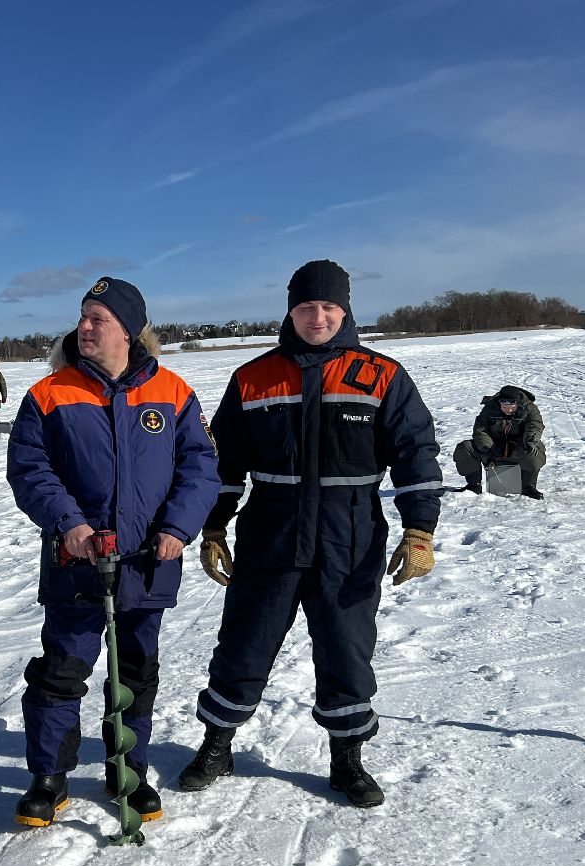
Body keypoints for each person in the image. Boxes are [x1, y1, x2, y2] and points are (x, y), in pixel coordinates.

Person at [180, 259, 443, 808]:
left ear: (345, 311)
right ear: (290, 310)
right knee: (244, 644)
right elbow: (224, 463)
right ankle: (217, 744)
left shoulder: (381, 375)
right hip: (270, 534)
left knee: (347, 650)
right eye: (305, 306)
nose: (316, 316)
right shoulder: (252, 378)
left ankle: (347, 760)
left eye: (327, 307)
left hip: (350, 537)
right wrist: (212, 529)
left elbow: (416, 455)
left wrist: (419, 529)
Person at [7, 277, 219, 826]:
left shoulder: (172, 393)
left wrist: (179, 527)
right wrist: (69, 524)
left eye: (97, 318)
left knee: (136, 674)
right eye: (82, 316)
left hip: (148, 563)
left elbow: (200, 469)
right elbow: (31, 470)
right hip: (77, 562)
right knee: (61, 669)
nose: (84, 327)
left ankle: (129, 767)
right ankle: (49, 777)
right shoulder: (49, 394)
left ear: (128, 330)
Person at [452, 385, 546, 498]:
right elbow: (480, 429)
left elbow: (535, 426)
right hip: (493, 448)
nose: (509, 410)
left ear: (518, 403)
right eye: (505, 406)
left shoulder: (530, 409)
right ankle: (473, 485)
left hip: (518, 448)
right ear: (499, 402)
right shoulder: (490, 408)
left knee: (534, 451)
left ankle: (529, 486)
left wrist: (531, 441)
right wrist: (488, 447)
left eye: (512, 406)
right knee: (465, 447)